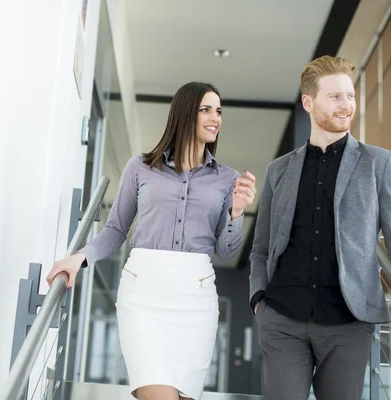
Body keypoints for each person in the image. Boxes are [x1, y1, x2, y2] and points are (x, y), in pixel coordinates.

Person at [248, 56, 391, 400]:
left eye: (350, 96)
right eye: (335, 97)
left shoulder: (379, 163)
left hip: (348, 323)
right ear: (309, 102)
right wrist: (258, 297)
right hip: (282, 318)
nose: (347, 105)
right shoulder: (279, 170)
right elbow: (262, 245)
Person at [47, 82, 256, 400]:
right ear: (185, 113)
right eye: (206, 109)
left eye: (219, 111)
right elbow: (116, 229)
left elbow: (226, 250)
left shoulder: (227, 179)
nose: (215, 117)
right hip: (143, 297)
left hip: (195, 301)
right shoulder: (140, 167)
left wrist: (238, 212)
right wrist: (80, 257)